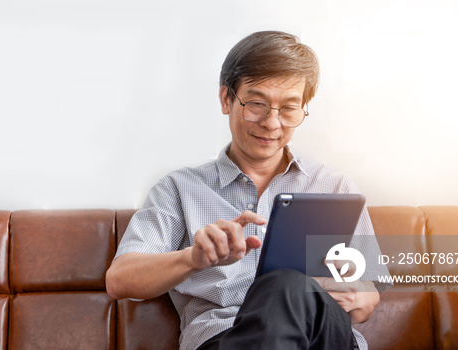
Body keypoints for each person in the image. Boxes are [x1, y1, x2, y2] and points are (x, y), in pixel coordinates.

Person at [106, 31, 391, 350]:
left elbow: (369, 299)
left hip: (322, 336)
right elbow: (120, 279)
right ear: (226, 99)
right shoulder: (180, 189)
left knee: (290, 286)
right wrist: (192, 258)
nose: (272, 123)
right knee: (284, 286)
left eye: (288, 109)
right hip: (227, 339)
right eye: (257, 104)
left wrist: (360, 296)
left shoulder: (335, 187)